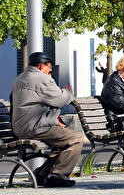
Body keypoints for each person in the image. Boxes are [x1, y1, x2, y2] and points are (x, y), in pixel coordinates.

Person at [10, 52, 83, 188]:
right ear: (41, 66)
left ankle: (43, 175)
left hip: (21, 127)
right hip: (36, 127)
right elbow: (60, 100)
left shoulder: (20, 78)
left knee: (62, 144)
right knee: (76, 139)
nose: (50, 70)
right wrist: (67, 91)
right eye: (49, 67)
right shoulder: (41, 79)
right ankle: (58, 176)